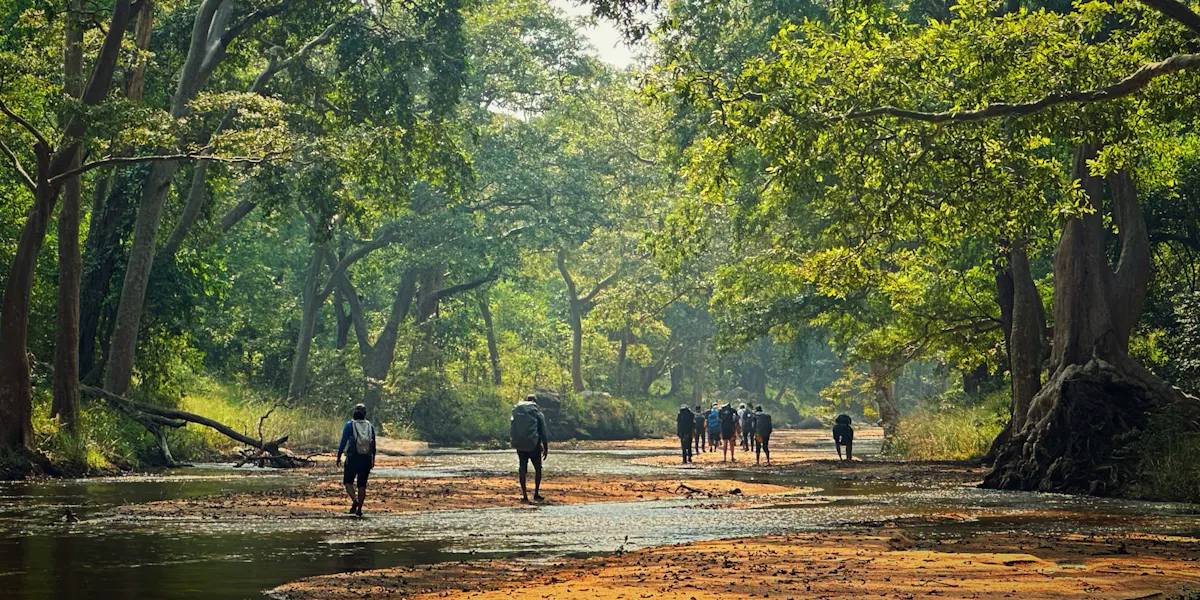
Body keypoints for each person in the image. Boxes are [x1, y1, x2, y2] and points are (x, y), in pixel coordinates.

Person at [336, 403, 376, 517]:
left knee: (348, 482)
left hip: (352, 457)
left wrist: (339, 456)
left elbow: (343, 442)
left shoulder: (349, 425)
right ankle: (360, 508)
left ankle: (354, 500)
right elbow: (373, 444)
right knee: (362, 485)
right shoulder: (370, 426)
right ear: (365, 414)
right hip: (366, 458)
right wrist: (373, 459)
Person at [511, 394, 549, 503]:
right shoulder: (537, 413)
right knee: (538, 468)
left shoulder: (518, 413)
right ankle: (536, 493)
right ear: (535, 403)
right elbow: (543, 432)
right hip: (534, 445)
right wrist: (545, 447)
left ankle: (524, 496)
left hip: (520, 445)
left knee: (522, 469)